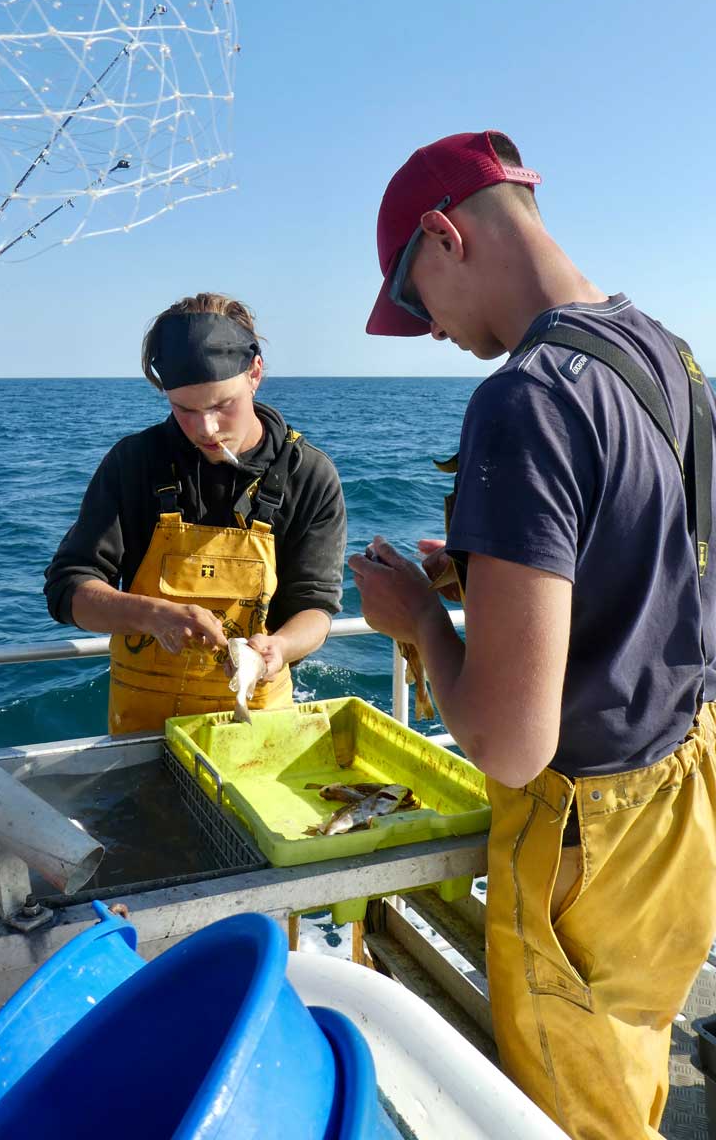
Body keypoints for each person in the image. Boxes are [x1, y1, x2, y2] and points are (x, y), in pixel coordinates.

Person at [348, 130, 716, 1139]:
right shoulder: (663, 352)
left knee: (573, 1121)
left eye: (413, 300)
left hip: (583, 836)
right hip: (683, 793)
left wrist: (421, 619)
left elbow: (511, 744)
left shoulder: (524, 399)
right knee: (631, 1059)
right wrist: (486, 573)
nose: (426, 332)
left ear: (442, 233)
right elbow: (654, 563)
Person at [44, 292, 346, 734]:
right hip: (143, 731)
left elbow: (316, 608)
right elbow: (67, 591)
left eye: (222, 405)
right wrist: (152, 615)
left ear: (255, 373)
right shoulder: (134, 463)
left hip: (260, 724)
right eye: (184, 409)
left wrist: (278, 648)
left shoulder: (311, 475)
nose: (206, 429)